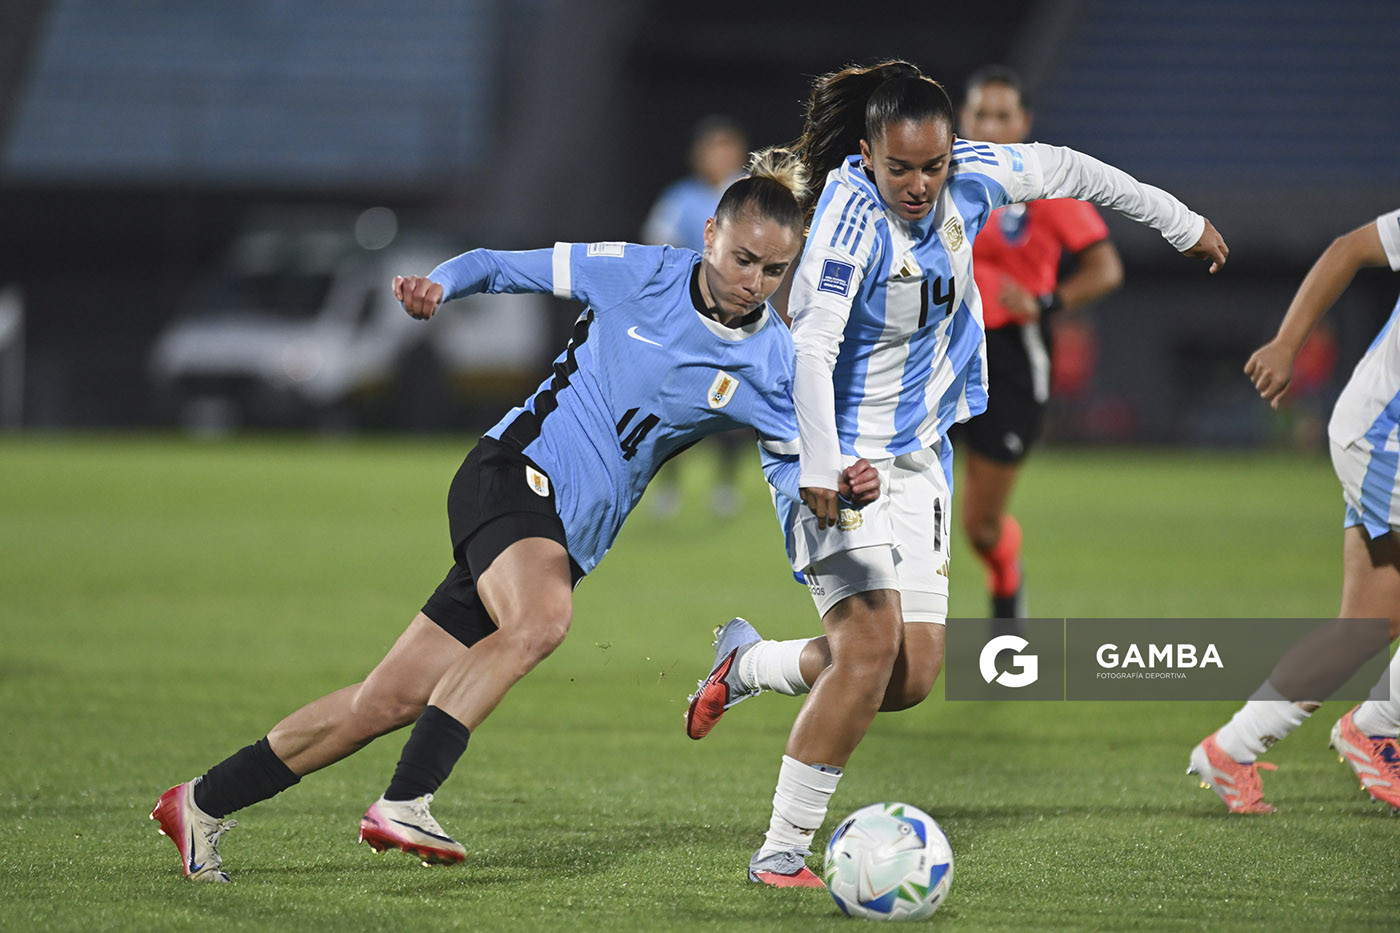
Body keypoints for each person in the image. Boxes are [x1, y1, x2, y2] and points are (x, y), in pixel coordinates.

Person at [149, 149, 883, 882]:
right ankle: (405, 800)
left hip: (564, 534)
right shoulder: (639, 272)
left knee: (383, 700)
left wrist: (840, 485)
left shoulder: (773, 359)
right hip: (511, 473)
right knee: (540, 621)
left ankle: (201, 802)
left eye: (773, 271)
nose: (753, 281)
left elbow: (797, 473)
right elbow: (502, 264)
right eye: (743, 258)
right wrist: (441, 284)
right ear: (710, 233)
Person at [682, 59, 1227, 887]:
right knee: (867, 650)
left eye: (932, 166)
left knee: (910, 675)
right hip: (830, 450)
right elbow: (813, 350)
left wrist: (1180, 222)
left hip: (920, 448)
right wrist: (822, 465)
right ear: (866, 154)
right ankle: (782, 849)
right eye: (899, 167)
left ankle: (750, 664)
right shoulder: (846, 224)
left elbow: (1075, 169)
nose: (919, 183)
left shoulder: (974, 175)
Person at [1188, 210, 1400, 814]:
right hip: (1386, 439)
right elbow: (1348, 248)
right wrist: (1286, 343)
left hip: (1376, 436)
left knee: (1365, 628)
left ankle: (1230, 750)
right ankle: (1378, 726)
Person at [947, 65, 1124, 628]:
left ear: (1023, 123)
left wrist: (1045, 302)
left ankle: (1005, 575)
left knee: (979, 524)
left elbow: (1106, 268)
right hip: (938, 350)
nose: (990, 125)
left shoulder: (1045, 183)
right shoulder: (937, 178)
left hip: (1013, 359)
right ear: (962, 119)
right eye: (980, 113)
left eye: (1003, 115)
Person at [642, 116, 752, 518]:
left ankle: (726, 485)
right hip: (688, 315)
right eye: (712, 148)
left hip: (740, 317)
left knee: (732, 401)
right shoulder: (680, 198)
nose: (719, 157)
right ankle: (668, 485)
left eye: (726, 148)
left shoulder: (749, 193)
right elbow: (658, 247)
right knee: (672, 400)